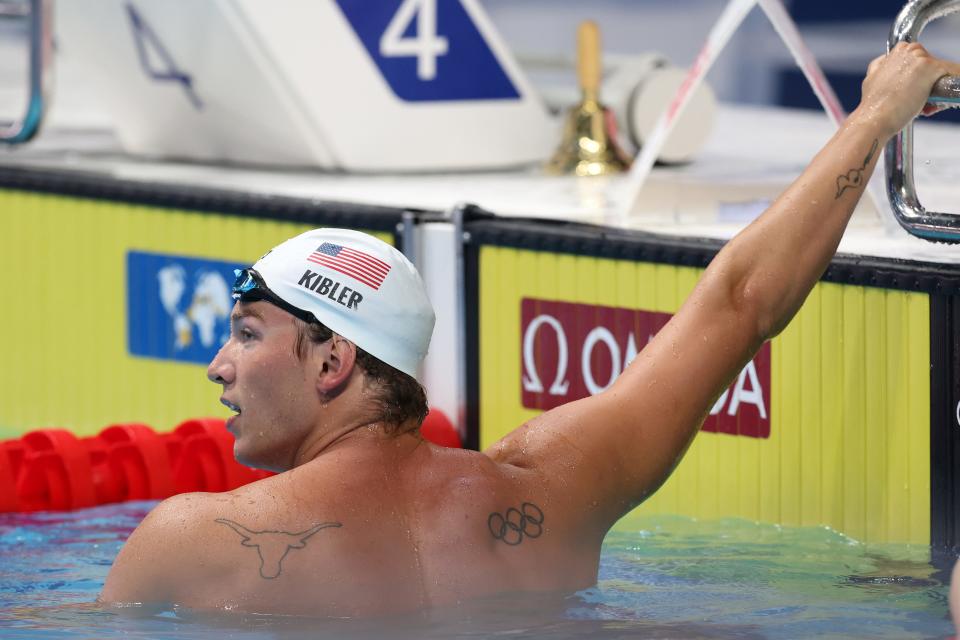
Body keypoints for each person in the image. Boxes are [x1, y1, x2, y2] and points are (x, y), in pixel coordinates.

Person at [100, 43, 959, 617]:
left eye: (248, 333)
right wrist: (879, 113)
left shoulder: (192, 541)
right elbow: (738, 305)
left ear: (333, 361)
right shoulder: (551, 492)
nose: (218, 365)